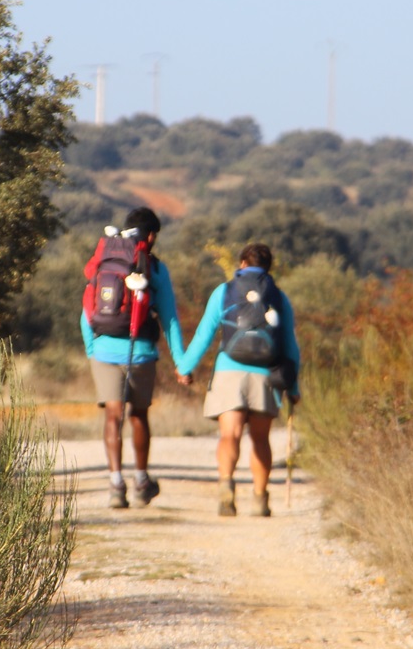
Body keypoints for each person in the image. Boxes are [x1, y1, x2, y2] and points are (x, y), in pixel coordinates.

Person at [176, 243, 301, 517]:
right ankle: (260, 499)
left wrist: (185, 367)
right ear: (268, 267)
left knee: (229, 435)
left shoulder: (224, 291)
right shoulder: (279, 297)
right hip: (266, 374)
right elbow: (291, 345)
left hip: (229, 371)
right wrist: (293, 387)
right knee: (260, 439)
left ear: (243, 263)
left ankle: (226, 491)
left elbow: (204, 335)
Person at [81, 207, 185, 509]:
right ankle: (141, 480)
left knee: (113, 416)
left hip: (104, 351)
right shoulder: (153, 268)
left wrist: (93, 350)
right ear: (151, 236)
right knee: (138, 415)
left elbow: (87, 312)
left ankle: (116, 485)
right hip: (140, 352)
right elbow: (170, 319)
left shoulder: (104, 262)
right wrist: (181, 363)